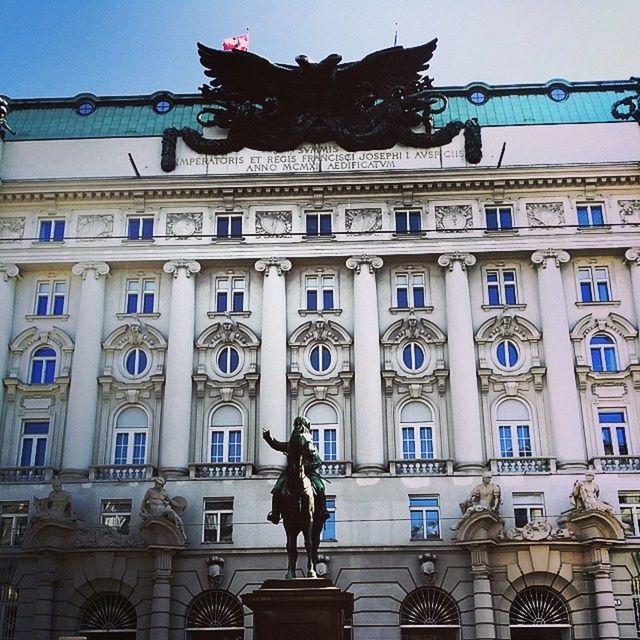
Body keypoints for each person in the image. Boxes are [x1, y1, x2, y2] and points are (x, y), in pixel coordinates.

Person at [262, 416, 330, 525]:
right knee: (278, 488)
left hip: (309, 474)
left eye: (301, 425)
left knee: (320, 486)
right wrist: (269, 438)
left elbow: (318, 461)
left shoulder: (310, 445)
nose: (299, 428)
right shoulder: (291, 445)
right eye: (297, 426)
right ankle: (275, 513)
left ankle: (322, 510)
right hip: (290, 472)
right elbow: (277, 445)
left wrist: (307, 466)